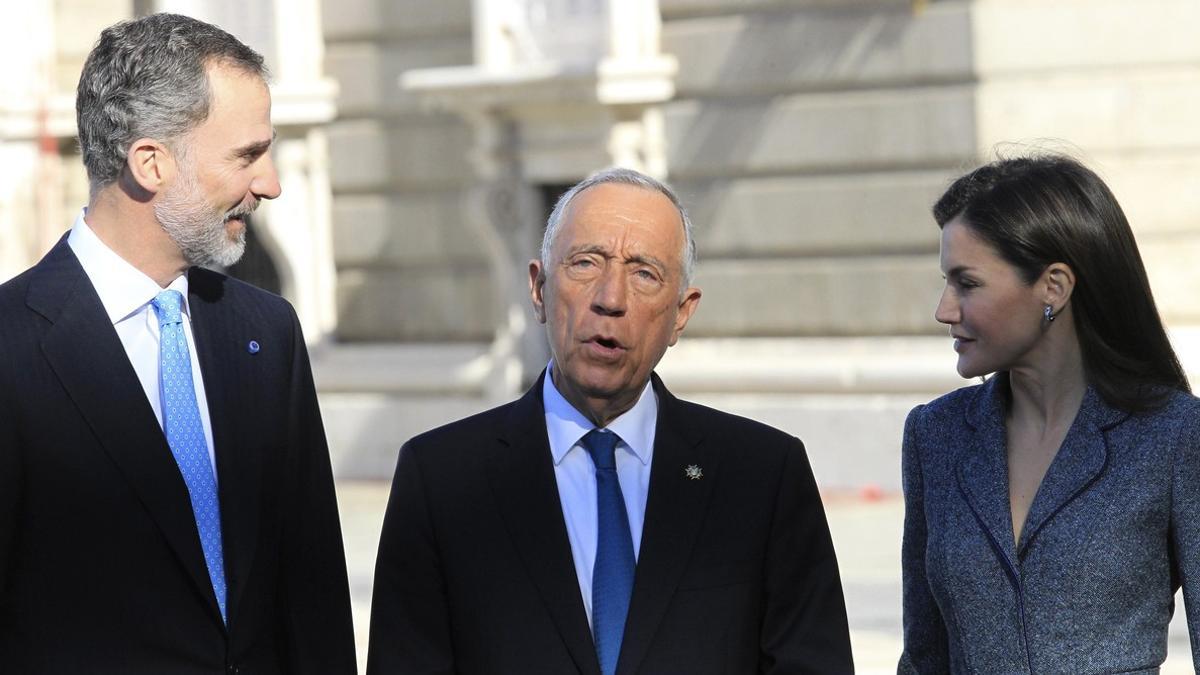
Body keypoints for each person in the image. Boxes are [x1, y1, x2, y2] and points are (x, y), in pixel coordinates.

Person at [367, 167, 853, 674]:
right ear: (538, 289)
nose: (611, 299)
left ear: (681, 314)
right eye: (585, 263)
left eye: (644, 273)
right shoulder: (441, 479)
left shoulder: (762, 475)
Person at [0, 14, 356, 674]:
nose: (271, 182)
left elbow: (313, 602)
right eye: (247, 155)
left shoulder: (265, 334)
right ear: (151, 163)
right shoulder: (12, 349)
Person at [899, 153, 1200, 672]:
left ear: (1053, 288)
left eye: (967, 283)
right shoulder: (936, 433)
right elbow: (925, 657)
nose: (944, 310)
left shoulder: (1175, 435)